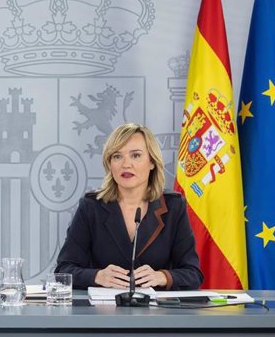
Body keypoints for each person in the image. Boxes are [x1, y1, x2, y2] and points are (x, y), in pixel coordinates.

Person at [55, 123, 203, 290]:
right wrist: (97, 276)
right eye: (117, 156)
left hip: (155, 314)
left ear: (152, 162)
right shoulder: (91, 207)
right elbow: (63, 271)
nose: (126, 164)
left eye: (136, 155)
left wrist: (161, 277)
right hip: (103, 312)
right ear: (110, 163)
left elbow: (193, 274)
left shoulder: (174, 206)